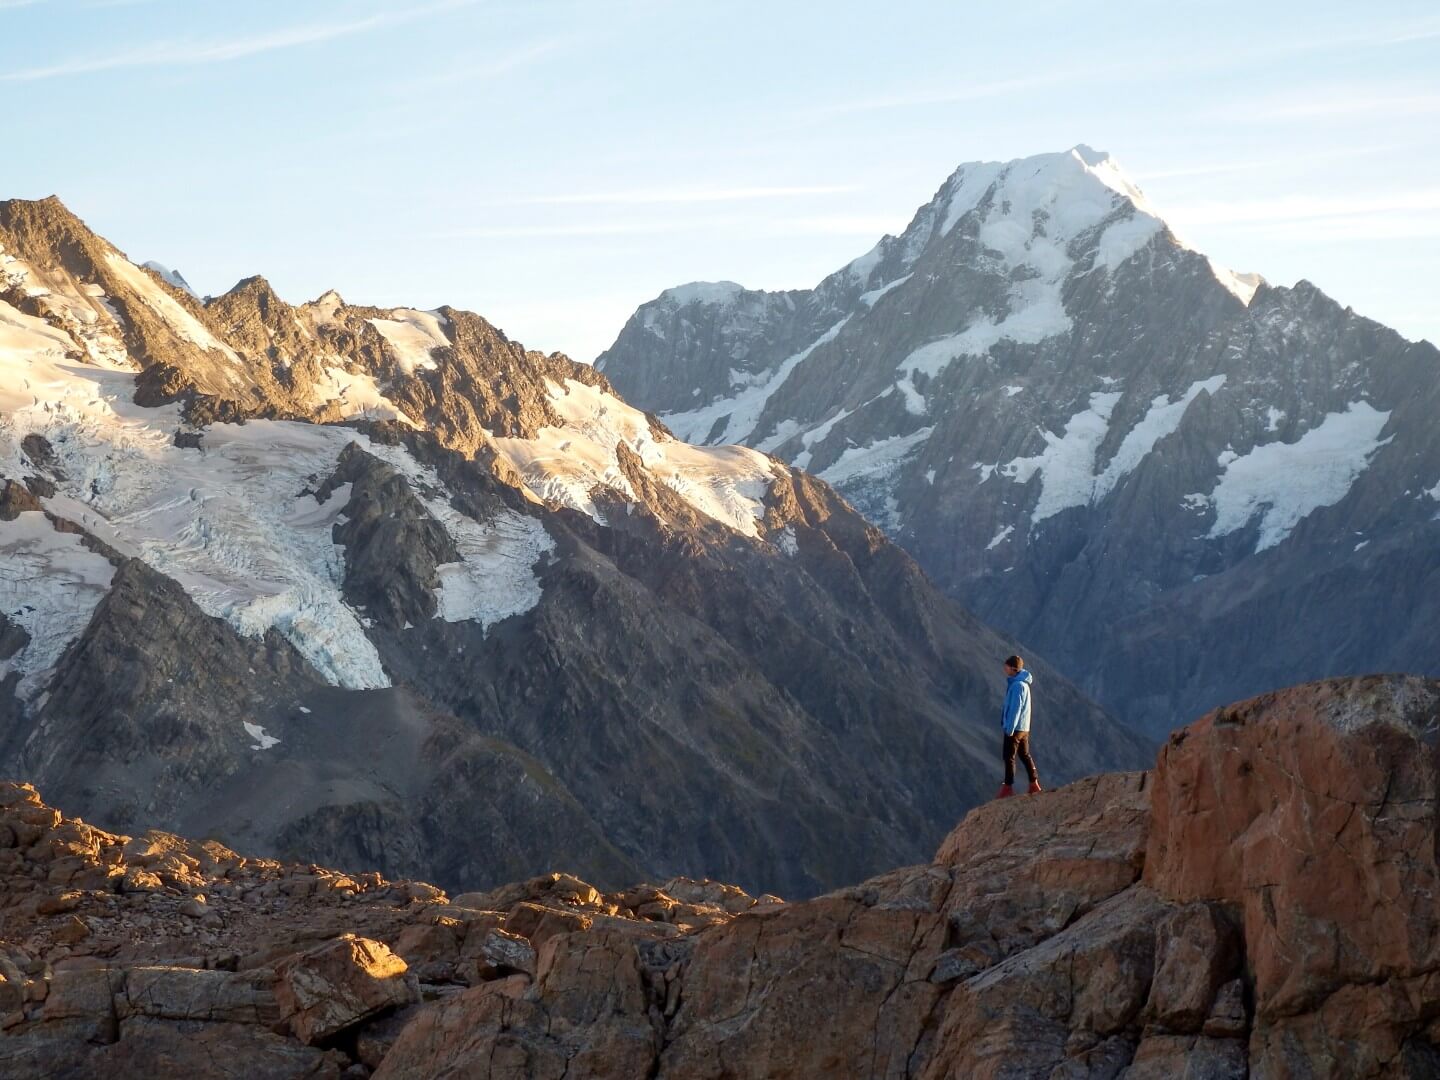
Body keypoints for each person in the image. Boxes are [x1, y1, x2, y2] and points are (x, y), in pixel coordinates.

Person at [997, 654, 1041, 798]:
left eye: (1007, 666)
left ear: (1013, 669)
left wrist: (1009, 728)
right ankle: (1034, 783)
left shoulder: (1017, 686)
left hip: (1014, 728)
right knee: (1024, 754)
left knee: (1009, 756)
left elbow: (1015, 708)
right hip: (1024, 728)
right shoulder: (1023, 684)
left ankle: (1008, 787)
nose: (1005, 668)